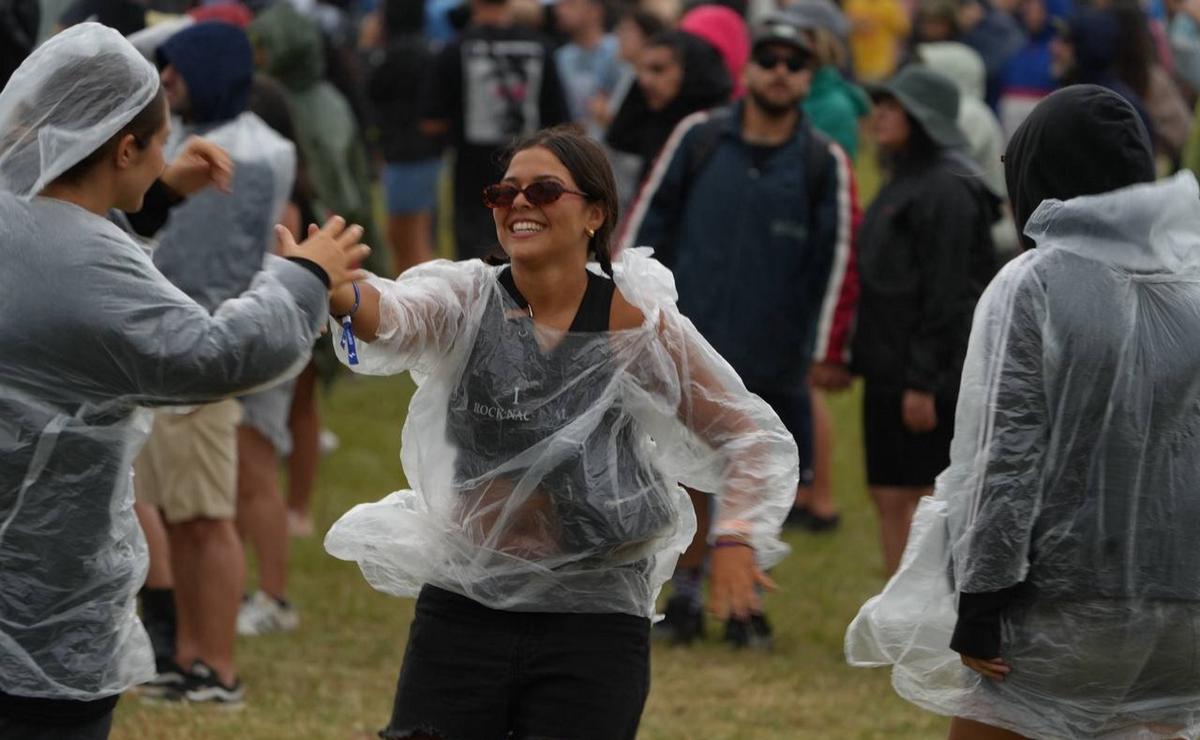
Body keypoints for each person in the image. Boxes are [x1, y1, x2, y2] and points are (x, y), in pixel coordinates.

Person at [322, 125, 798, 739]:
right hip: (469, 604)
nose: (520, 203)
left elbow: (746, 434)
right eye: (504, 192)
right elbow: (396, 317)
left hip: (593, 620)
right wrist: (340, 293)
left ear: (594, 213)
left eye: (544, 190)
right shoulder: (467, 298)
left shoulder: (635, 326)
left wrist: (735, 538)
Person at [0, 23, 366, 740]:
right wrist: (305, 277)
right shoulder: (83, 261)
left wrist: (154, 192)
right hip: (37, 606)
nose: (169, 153)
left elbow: (66, 247)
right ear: (123, 147)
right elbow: (208, 355)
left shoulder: (20, 219)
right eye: (157, 143)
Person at [847, 84, 1200, 740]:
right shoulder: (1192, 285)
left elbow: (1005, 452)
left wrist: (980, 601)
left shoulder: (1035, 283)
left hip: (1067, 608)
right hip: (1183, 620)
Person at [621, 17, 858, 644]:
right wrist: (621, 308)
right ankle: (690, 593)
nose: (780, 72)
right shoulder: (698, 137)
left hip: (773, 346)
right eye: (768, 59)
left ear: (809, 78)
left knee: (755, 469)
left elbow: (837, 259)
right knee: (684, 466)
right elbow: (645, 224)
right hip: (687, 339)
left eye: (794, 62)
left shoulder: (821, 161)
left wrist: (826, 350)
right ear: (746, 69)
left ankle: (745, 605)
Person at [850, 65, 997, 577]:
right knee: (889, 494)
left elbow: (950, 292)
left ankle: (938, 617)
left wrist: (924, 381)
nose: (880, 116)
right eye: (881, 105)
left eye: (894, 107)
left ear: (923, 117)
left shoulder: (947, 189)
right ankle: (901, 620)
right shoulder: (903, 177)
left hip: (925, 374)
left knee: (931, 498)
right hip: (890, 366)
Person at [420, 0, 570, 262]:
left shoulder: (455, 48)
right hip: (533, 173)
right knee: (530, 244)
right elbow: (559, 119)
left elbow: (432, 120)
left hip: (472, 175)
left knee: (475, 262)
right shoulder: (541, 47)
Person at [366, 0, 443, 275]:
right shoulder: (429, 51)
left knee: (407, 236)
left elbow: (370, 93)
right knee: (412, 234)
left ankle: (423, 304)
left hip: (404, 155)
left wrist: (367, 47)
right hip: (425, 153)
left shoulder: (391, 56)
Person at [606, 29, 733, 187]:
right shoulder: (649, 124)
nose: (644, 81)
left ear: (689, 73)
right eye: (641, 70)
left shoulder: (717, 136)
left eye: (658, 69)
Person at [553, 0, 623, 138]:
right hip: (573, 144)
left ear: (595, 11)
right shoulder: (560, 57)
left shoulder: (619, 51)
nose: (560, 11)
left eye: (570, 4)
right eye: (560, 5)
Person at [844, 0, 910, 83]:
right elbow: (844, 26)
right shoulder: (854, 3)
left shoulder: (889, 5)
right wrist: (858, 25)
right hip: (857, 63)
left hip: (882, 65)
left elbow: (903, 29)